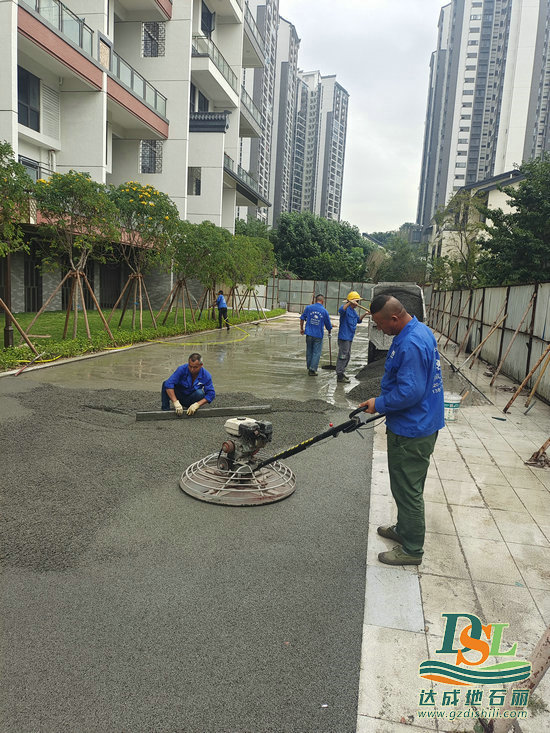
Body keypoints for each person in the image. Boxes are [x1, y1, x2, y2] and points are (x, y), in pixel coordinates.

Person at [358, 294, 444, 566]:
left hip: (413, 429)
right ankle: (404, 530)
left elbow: (411, 392)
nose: (380, 330)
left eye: (381, 324)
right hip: (417, 422)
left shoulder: (411, 343)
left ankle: (412, 550)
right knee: (405, 486)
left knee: (408, 491)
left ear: (394, 318)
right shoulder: (418, 330)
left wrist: (379, 403)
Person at [336, 291, 368, 383]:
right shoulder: (345, 310)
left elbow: (358, 320)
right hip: (344, 336)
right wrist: (350, 302)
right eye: (356, 301)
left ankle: (342, 372)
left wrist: (365, 314)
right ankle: (339, 375)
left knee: (347, 356)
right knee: (343, 355)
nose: (357, 303)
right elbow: (341, 310)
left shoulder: (353, 312)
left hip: (350, 337)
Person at [300, 294, 332, 376]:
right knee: (316, 352)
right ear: (322, 301)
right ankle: (312, 369)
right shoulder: (324, 311)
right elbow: (328, 324)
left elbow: (302, 318)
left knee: (309, 351)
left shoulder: (308, 308)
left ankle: (309, 367)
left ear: (315, 300)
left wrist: (302, 328)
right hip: (318, 335)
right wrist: (329, 331)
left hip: (309, 333)